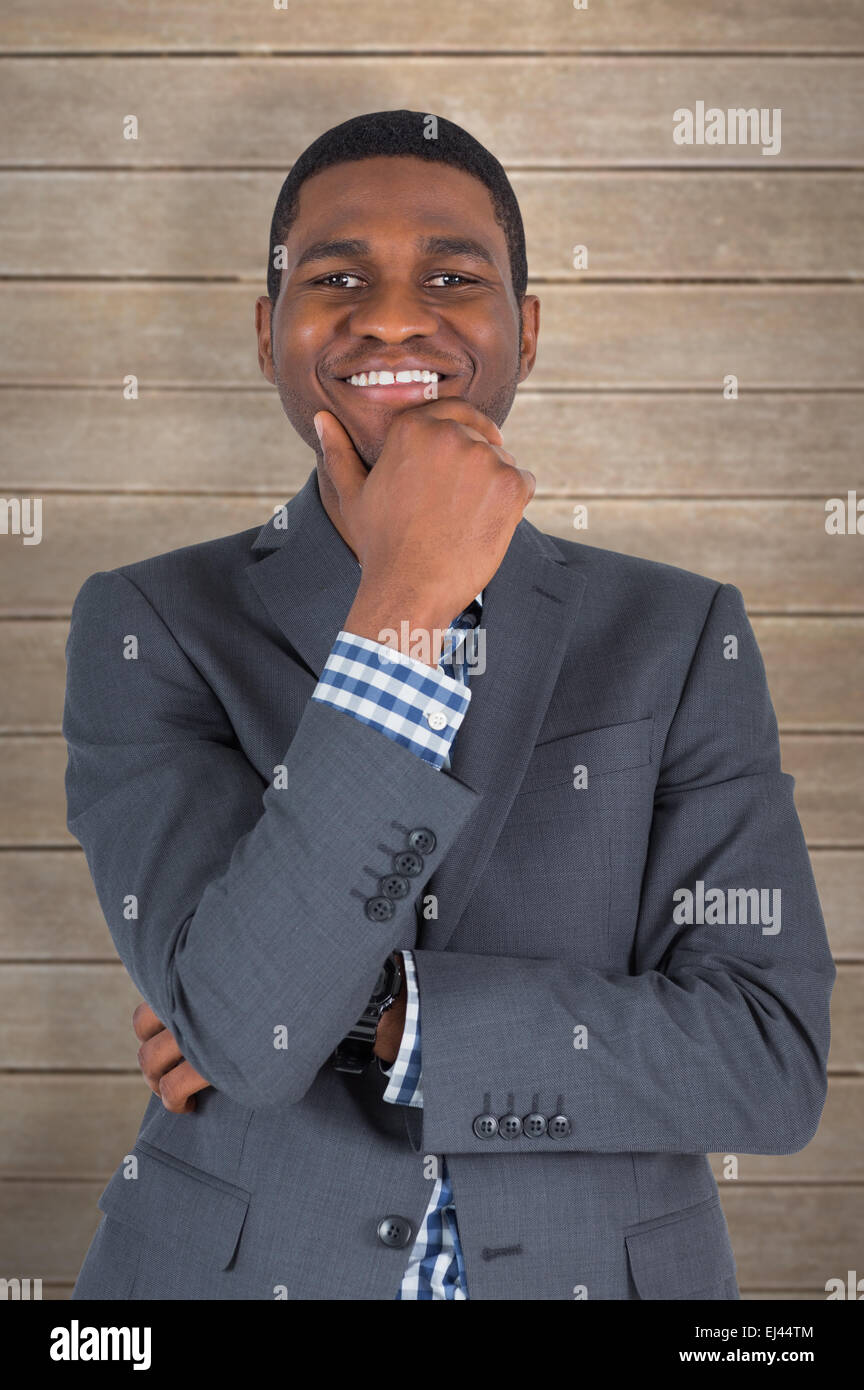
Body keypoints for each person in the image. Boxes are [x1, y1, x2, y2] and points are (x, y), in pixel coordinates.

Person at [63, 109, 835, 1301]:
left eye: (452, 274)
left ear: (524, 326)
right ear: (269, 329)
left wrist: (382, 1014)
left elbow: (767, 1064)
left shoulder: (679, 634)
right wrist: (407, 597)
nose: (389, 313)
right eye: (337, 276)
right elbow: (255, 1033)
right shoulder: (148, 625)